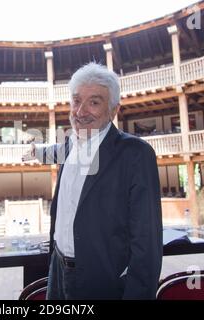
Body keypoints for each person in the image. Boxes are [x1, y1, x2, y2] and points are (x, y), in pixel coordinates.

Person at [24, 62, 162, 299]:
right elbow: (54, 150)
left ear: (113, 110)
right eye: (76, 101)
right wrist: (36, 151)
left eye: (94, 102)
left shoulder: (135, 154)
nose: (80, 112)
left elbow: (147, 244)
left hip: (101, 280)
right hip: (57, 269)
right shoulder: (69, 145)